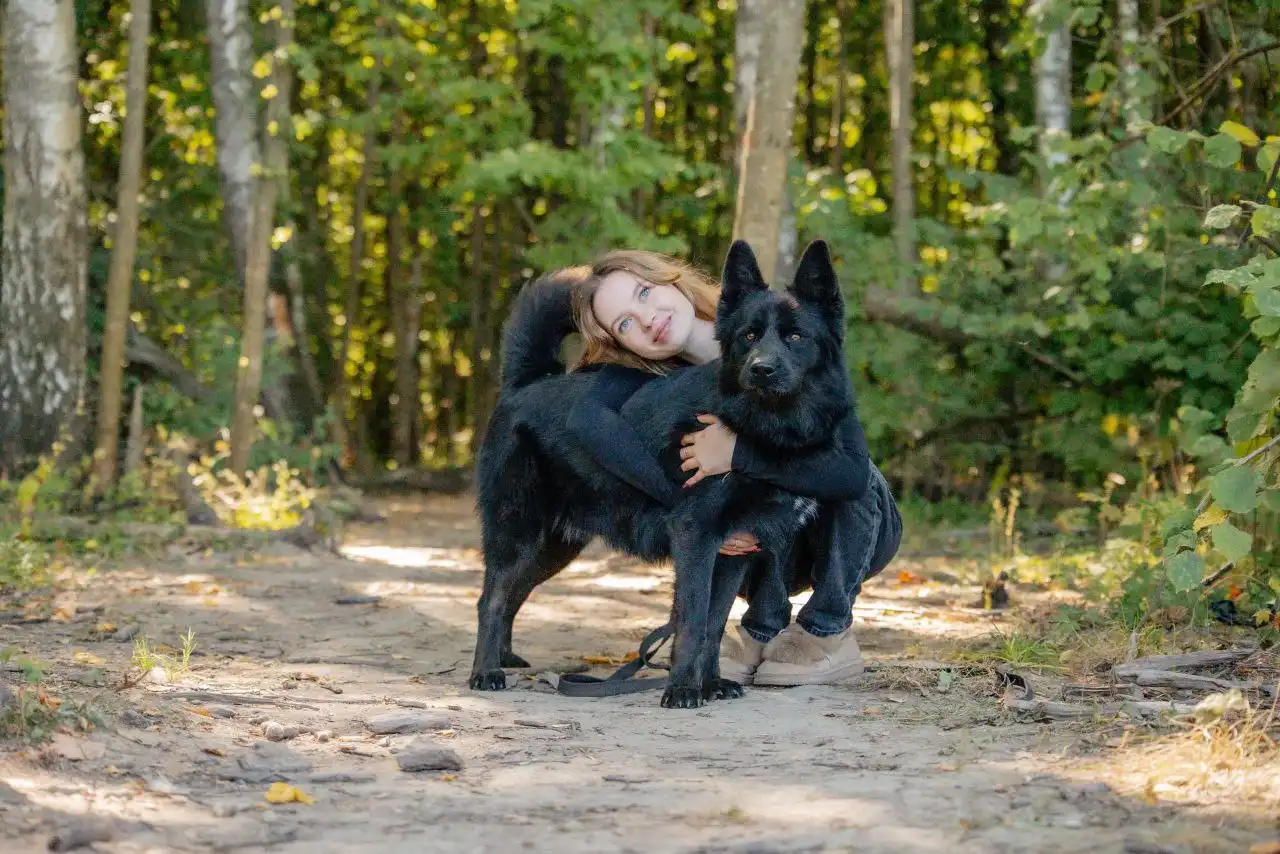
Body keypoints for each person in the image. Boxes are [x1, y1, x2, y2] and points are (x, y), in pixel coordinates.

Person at [564, 249, 902, 686]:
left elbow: (853, 476)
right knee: (736, 500)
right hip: (752, 545)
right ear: (617, 342)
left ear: (670, 278)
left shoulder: (795, 334)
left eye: (644, 293)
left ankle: (827, 631)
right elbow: (582, 419)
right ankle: (761, 630)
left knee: (838, 463)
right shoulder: (644, 382)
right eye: (624, 323)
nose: (647, 318)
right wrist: (682, 507)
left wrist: (737, 452)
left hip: (853, 535)